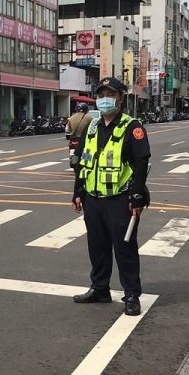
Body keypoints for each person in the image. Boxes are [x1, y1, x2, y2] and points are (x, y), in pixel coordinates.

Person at [71, 77, 151, 316]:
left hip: (119, 199)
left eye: (110, 95)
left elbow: (141, 162)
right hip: (93, 198)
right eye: (101, 95)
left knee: (124, 248)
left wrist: (137, 195)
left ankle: (132, 294)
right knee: (97, 247)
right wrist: (78, 191)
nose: (105, 99)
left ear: (120, 98)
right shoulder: (92, 126)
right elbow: (81, 160)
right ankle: (100, 288)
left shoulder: (131, 126)